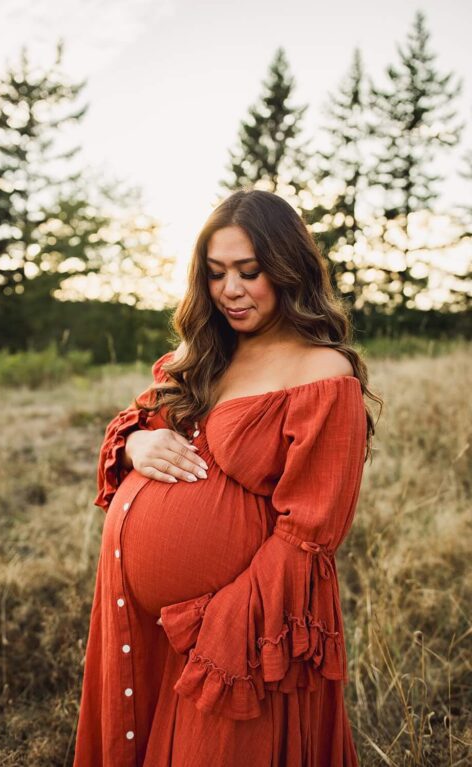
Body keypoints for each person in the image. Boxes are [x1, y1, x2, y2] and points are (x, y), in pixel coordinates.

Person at [73, 190, 382, 766]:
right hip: (147, 617)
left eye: (249, 272)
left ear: (288, 269)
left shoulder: (323, 373)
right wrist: (139, 442)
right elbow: (136, 424)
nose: (230, 291)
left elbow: (310, 532)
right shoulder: (203, 355)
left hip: (242, 628)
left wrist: (226, 623)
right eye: (216, 274)